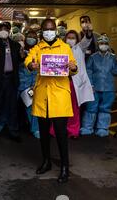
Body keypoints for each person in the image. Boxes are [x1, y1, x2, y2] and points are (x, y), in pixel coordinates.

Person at [25, 19, 78, 184]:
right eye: (46, 29)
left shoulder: (65, 47)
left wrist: (73, 67)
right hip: (43, 96)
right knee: (44, 134)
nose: (49, 32)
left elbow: (74, 67)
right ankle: (46, 161)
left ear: (56, 31)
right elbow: (28, 60)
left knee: (61, 134)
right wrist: (31, 65)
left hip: (60, 96)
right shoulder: (37, 48)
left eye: (51, 29)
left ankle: (64, 167)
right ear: (42, 31)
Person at [51, 30, 94, 139]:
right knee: (59, 108)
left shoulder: (79, 48)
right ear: (65, 38)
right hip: (61, 83)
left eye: (73, 37)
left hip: (74, 84)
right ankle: (56, 131)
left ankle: (73, 131)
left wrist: (88, 33)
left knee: (74, 108)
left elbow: (87, 40)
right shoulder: (59, 48)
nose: (70, 39)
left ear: (77, 39)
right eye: (68, 37)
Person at [0, 22, 23, 142]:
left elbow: (20, 60)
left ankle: (14, 132)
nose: (3, 30)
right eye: (0, 28)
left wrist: (22, 56)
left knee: (12, 108)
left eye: (5, 29)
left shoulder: (15, 45)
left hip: (11, 80)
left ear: (9, 31)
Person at [81, 34, 117, 137]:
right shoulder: (93, 57)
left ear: (108, 45)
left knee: (105, 108)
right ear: (98, 44)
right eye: (101, 43)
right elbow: (88, 71)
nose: (103, 45)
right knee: (91, 107)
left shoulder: (113, 58)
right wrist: (90, 84)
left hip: (108, 88)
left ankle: (102, 128)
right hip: (94, 88)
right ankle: (87, 127)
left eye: (105, 43)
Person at [18, 30, 40, 139]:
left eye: (33, 36)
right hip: (20, 84)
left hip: (33, 85)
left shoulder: (39, 51)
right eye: (29, 36)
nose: (31, 38)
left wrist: (34, 84)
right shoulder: (21, 50)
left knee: (31, 106)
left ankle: (35, 129)